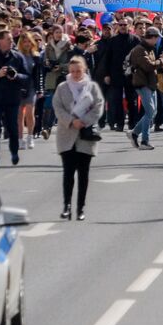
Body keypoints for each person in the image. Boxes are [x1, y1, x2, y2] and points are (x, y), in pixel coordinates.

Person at [53, 55, 105, 221]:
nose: (75, 74)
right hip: (66, 135)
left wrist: (84, 121)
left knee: (83, 174)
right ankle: (66, 206)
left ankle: (80, 208)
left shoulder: (92, 87)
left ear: (84, 70)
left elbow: (98, 106)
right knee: (68, 173)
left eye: (78, 71)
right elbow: (57, 107)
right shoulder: (62, 87)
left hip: (85, 135)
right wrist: (71, 121)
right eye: (73, 71)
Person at [0, 32, 32, 168]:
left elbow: (27, 78)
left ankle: (14, 152)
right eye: (8, 39)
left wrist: (16, 76)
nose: (11, 41)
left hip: (12, 98)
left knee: (12, 128)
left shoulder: (18, 57)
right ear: (0, 41)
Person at [126, 27, 163, 150]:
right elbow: (148, 66)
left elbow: (153, 66)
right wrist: (162, 60)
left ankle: (134, 133)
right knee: (150, 112)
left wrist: (162, 65)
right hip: (142, 83)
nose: (158, 40)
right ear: (152, 37)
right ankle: (144, 141)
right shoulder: (139, 49)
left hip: (151, 83)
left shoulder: (150, 49)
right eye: (157, 38)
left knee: (153, 111)